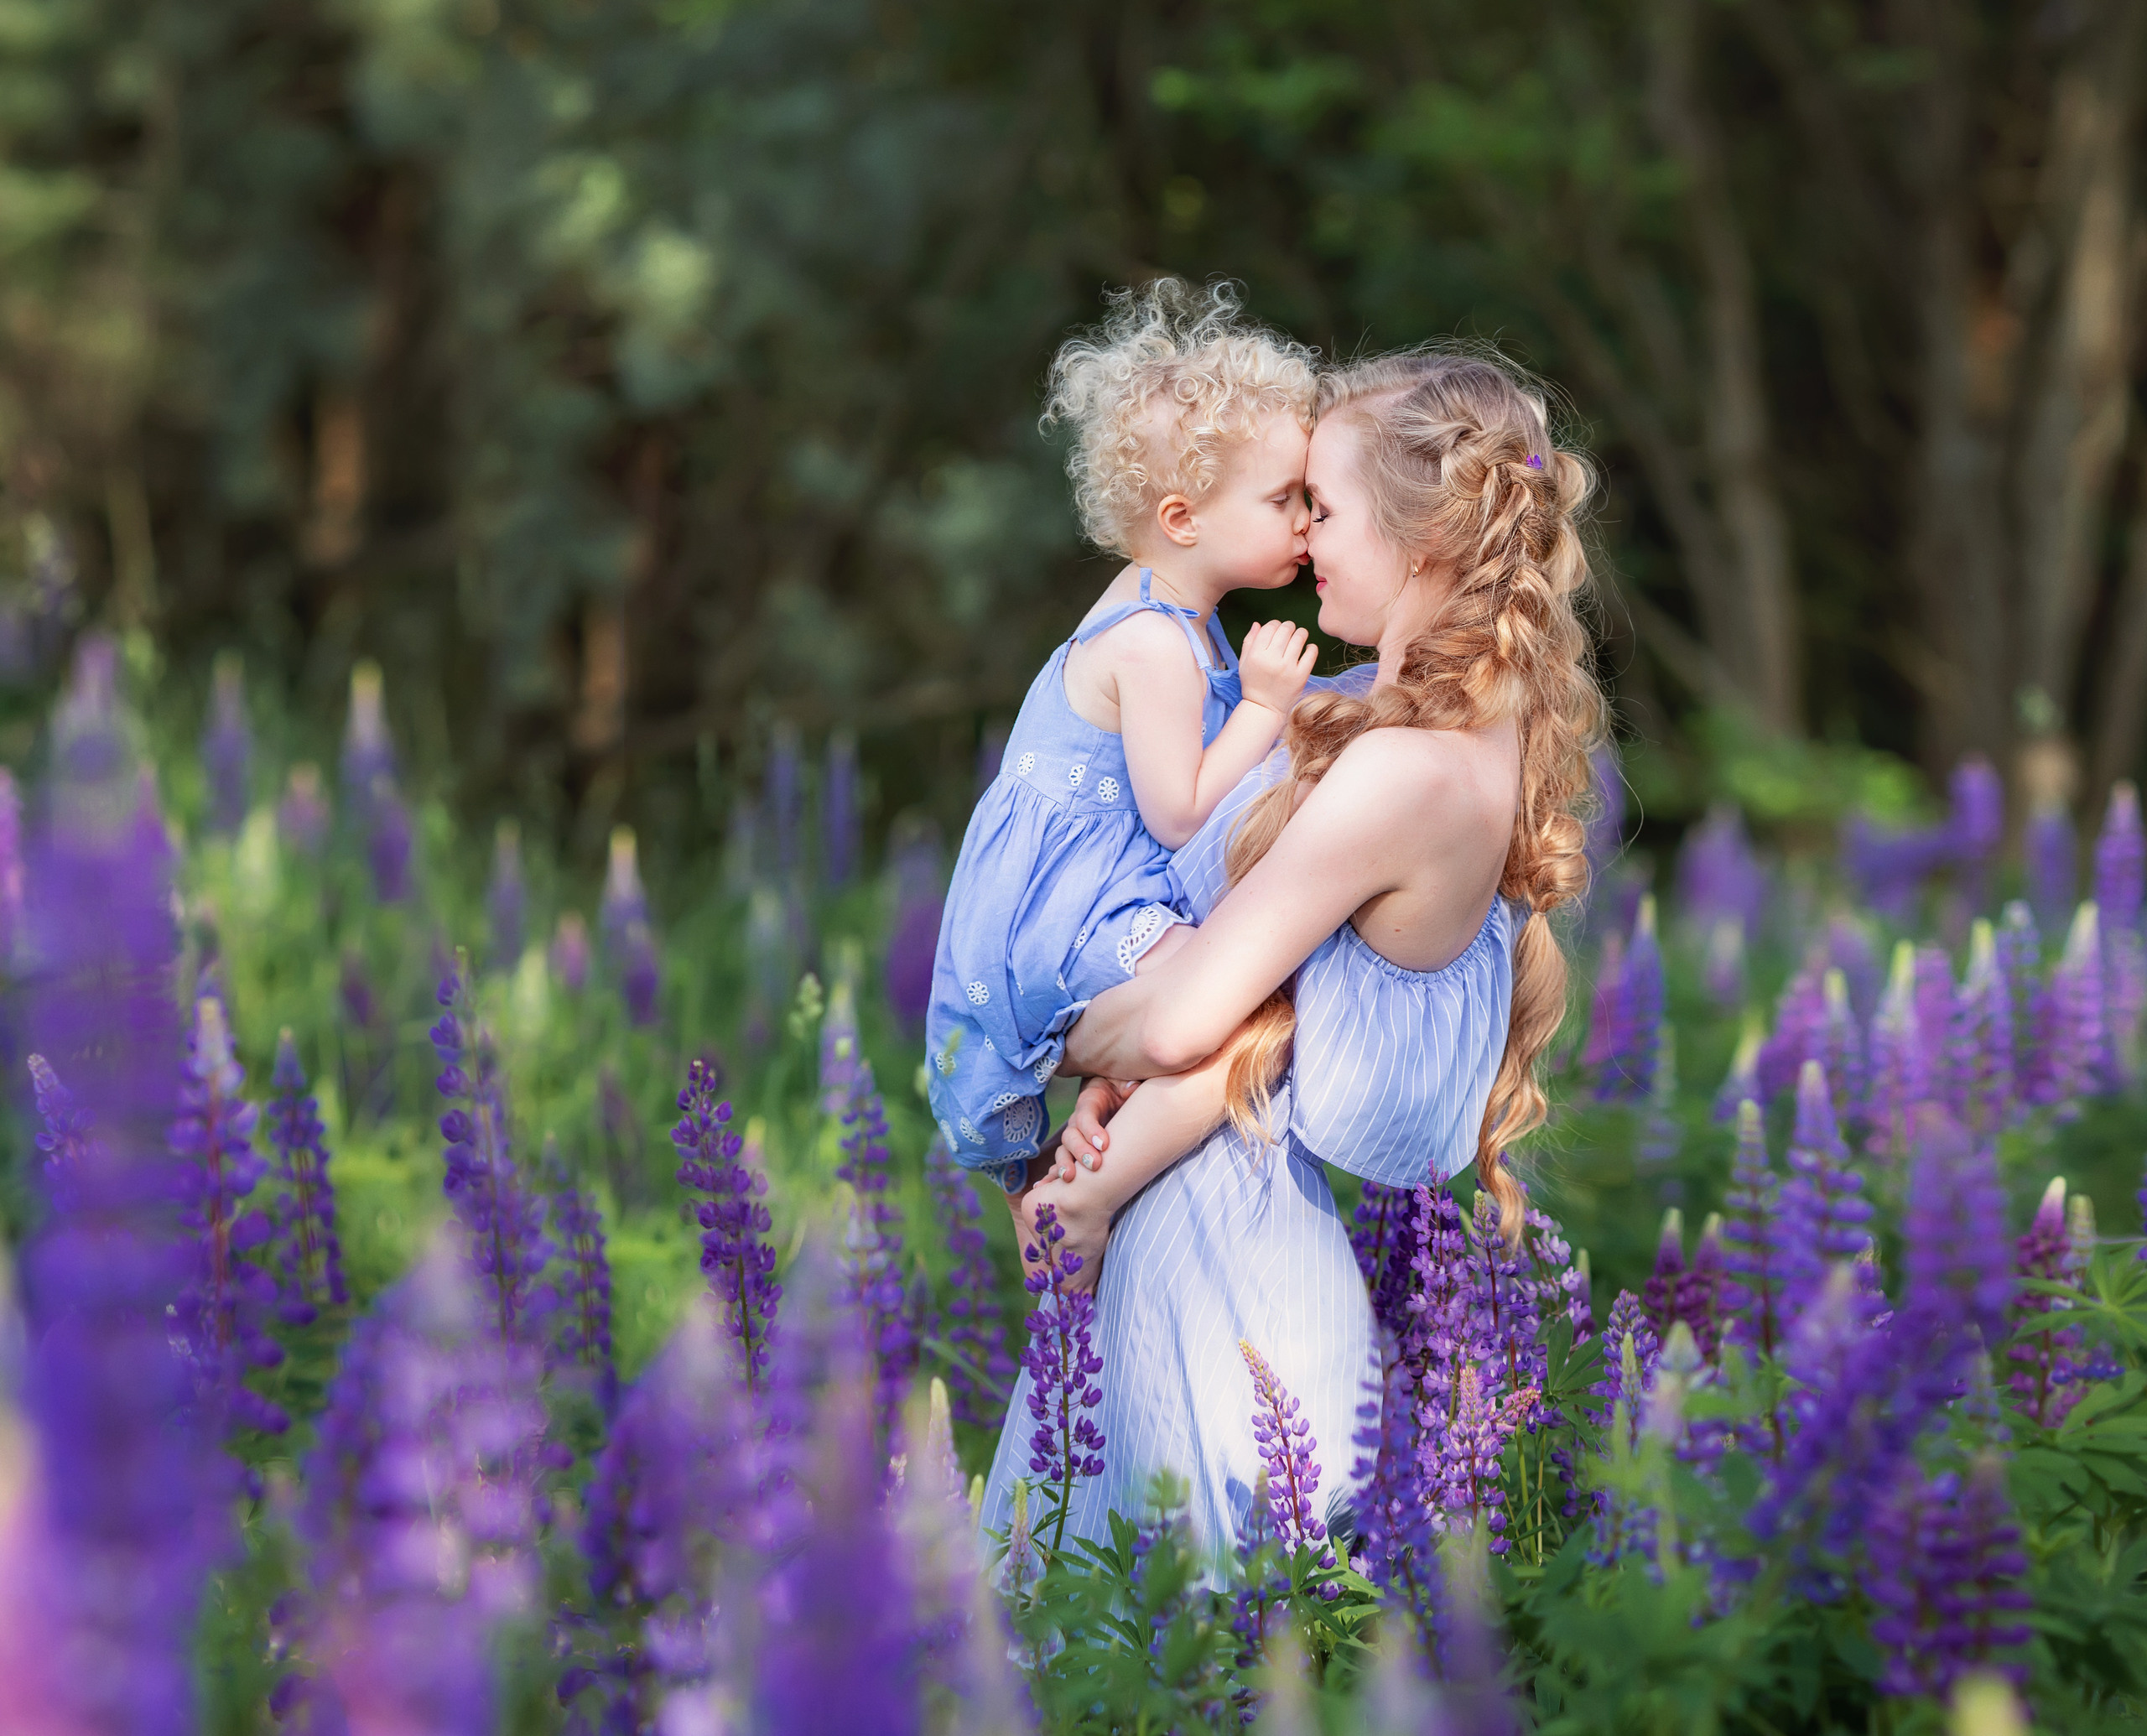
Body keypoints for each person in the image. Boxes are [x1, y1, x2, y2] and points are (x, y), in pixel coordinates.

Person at [981, 347, 1604, 1558]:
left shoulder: (1404, 771)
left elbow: (1183, 1023)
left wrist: (1038, 1033)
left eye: (1322, 504)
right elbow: (1266, 1010)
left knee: (1146, 1654)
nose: (1302, 535)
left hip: (1218, 1279)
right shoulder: (1442, 725)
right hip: (1209, 1240)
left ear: (1421, 540)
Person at [924, 280, 1319, 1197]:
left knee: (1247, 989)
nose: (1306, 520)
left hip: (1102, 893)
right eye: (1283, 498)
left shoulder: (1185, 616)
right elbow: (1179, 813)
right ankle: (1076, 1195)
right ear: (1181, 519)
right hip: (1069, 914)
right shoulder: (1150, 642)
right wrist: (1263, 708)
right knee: (1246, 994)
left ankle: (1101, 1115)